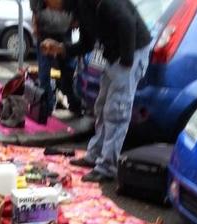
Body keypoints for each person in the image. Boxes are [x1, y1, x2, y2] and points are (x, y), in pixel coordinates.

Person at [41, 0, 151, 183]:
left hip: (130, 52)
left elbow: (127, 22)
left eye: (48, 2)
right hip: (114, 53)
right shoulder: (79, 7)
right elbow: (87, 44)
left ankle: (107, 166)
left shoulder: (96, 3)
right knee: (101, 106)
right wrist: (61, 49)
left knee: (116, 109)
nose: (48, 6)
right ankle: (95, 154)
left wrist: (126, 61)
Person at [30, 0, 82, 117]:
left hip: (63, 32)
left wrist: (76, 20)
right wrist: (35, 26)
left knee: (66, 75)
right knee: (44, 74)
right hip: (46, 32)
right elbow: (35, 9)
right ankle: (47, 107)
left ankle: (74, 103)